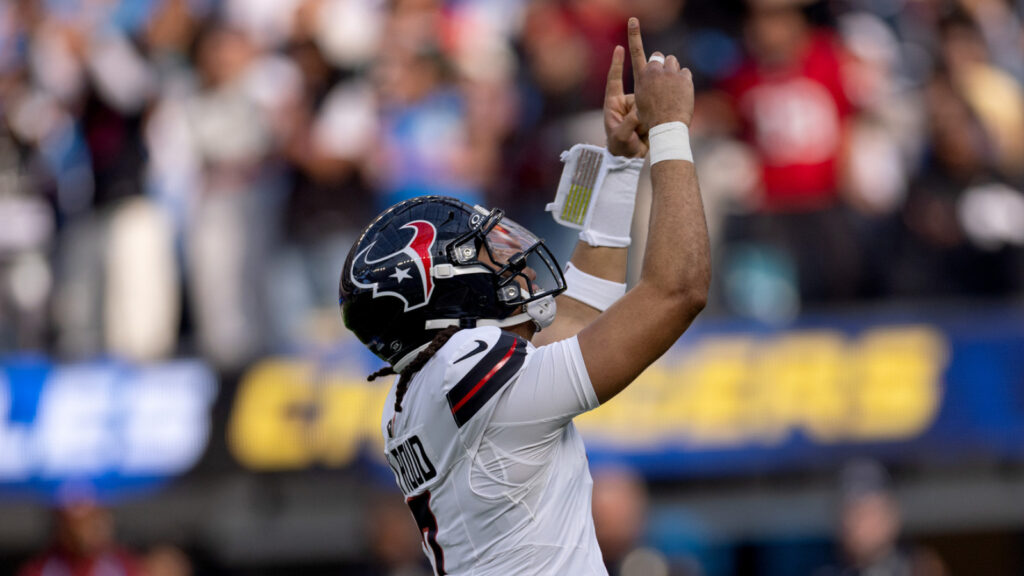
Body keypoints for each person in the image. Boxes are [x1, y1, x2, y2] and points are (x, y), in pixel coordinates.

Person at [340, 17, 709, 576]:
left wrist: (620, 163)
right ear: (439, 295)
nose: (502, 259)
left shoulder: (426, 388)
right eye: (478, 253)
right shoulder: (464, 374)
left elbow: (580, 316)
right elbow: (677, 291)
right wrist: (672, 132)